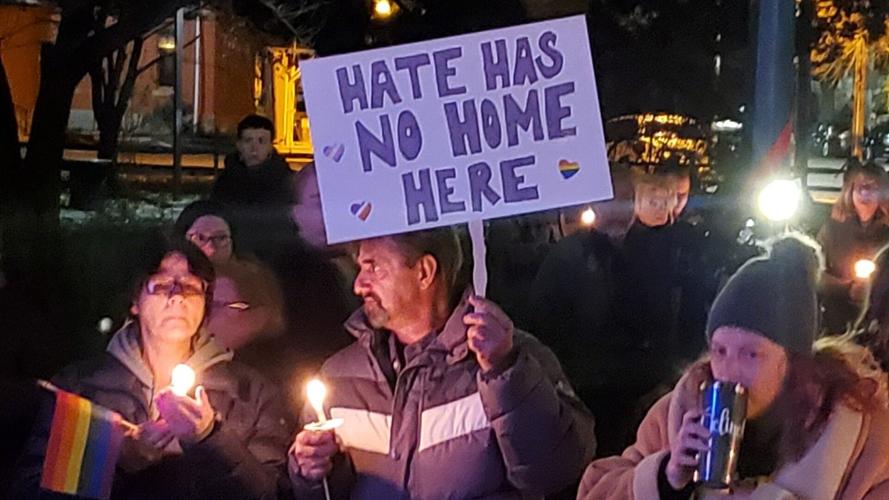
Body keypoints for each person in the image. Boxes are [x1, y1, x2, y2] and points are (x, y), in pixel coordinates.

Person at [288, 227, 596, 499]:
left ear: (424, 271)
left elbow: (556, 470)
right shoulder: (340, 376)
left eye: (374, 268)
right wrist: (313, 470)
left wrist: (505, 371)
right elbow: (323, 492)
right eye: (360, 268)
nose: (359, 286)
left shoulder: (514, 359)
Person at [577, 234, 889, 499]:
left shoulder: (862, 434)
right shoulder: (680, 410)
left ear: (794, 361)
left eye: (751, 354)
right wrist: (665, 477)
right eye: (720, 350)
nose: (728, 370)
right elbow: (595, 488)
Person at [12, 238, 291, 499]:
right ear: (135, 301)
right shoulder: (82, 388)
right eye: (161, 285)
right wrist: (116, 459)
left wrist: (209, 438)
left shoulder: (251, 393)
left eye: (191, 287)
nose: (177, 297)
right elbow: (30, 490)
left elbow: (270, 493)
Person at [529, 166, 639, 457]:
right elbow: (545, 324)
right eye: (611, 199)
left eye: (628, 198)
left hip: (637, 397)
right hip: (585, 393)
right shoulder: (567, 257)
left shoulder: (650, 251)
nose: (620, 208)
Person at [211, 114, 297, 260]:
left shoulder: (287, 183)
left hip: (277, 258)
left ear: (271, 146)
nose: (254, 148)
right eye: (248, 141)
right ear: (239, 145)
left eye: (261, 141)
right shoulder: (224, 184)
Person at [818, 159, 889, 334]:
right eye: (860, 186)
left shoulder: (886, 236)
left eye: (871, 187)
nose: (864, 192)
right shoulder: (832, 230)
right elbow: (815, 275)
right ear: (850, 191)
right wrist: (847, 288)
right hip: (836, 325)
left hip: (878, 329)